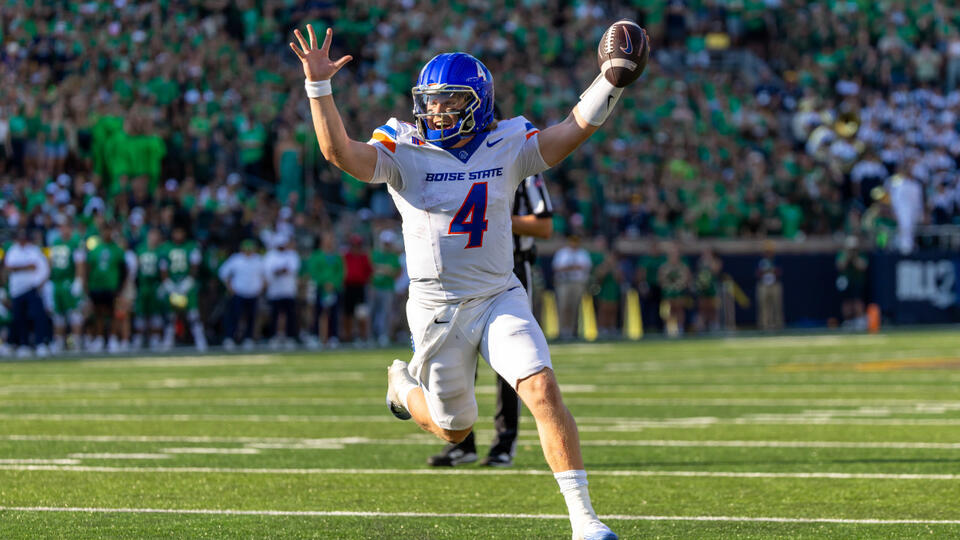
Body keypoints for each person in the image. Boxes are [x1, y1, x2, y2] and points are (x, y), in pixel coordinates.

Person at [290, 22, 643, 539]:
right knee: (454, 431)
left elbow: (571, 130)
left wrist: (609, 81)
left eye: (448, 100)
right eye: (429, 101)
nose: (434, 111)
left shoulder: (507, 141)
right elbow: (339, 153)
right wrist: (318, 86)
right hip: (436, 310)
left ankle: (584, 520)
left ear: (477, 103)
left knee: (542, 388)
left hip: (499, 295)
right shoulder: (404, 145)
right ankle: (402, 388)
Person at [428, 172, 553, 467]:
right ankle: (462, 442)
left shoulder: (522, 168)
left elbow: (544, 226)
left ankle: (504, 443)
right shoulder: (459, 164)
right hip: (465, 271)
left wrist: (496, 217)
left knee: (513, 358)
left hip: (510, 270)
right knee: (457, 354)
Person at [3, 228, 51, 357]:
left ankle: (40, 343)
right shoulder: (13, 250)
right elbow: (10, 267)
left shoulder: (34, 250)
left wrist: (39, 283)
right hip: (17, 290)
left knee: (38, 317)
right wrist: (26, 266)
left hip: (32, 288)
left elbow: (41, 267)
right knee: (19, 318)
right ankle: (23, 344)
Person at [158, 224, 207, 351]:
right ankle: (168, 342)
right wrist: (169, 284)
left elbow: (195, 266)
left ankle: (200, 341)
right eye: (176, 232)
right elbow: (163, 268)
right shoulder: (165, 247)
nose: (178, 235)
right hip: (173, 285)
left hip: (187, 285)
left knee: (193, 315)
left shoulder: (192, 246)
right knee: (171, 315)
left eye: (180, 232)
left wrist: (188, 282)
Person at [85, 224, 128, 353]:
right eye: (105, 231)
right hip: (96, 286)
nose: (107, 233)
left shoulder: (118, 250)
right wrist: (87, 285)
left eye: (109, 231)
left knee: (113, 313)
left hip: (111, 286)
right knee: (98, 313)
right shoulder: (95, 250)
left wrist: (121, 287)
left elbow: (123, 270)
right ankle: (99, 338)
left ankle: (113, 338)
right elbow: (88, 268)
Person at [47, 220, 86, 352]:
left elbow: (80, 263)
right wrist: (49, 279)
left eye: (66, 227)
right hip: (57, 282)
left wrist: (78, 280)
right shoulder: (55, 242)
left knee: (74, 313)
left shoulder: (76, 242)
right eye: (62, 227)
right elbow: (51, 262)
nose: (64, 230)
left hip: (69, 282)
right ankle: (59, 342)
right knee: (58, 314)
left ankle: (76, 341)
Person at [219, 239, 265, 350]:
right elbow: (223, 272)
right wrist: (230, 288)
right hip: (238, 293)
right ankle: (230, 337)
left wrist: (261, 288)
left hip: (253, 293)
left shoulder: (258, 259)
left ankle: (248, 338)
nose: (248, 251)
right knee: (234, 316)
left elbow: (265, 275)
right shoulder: (236, 259)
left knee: (251, 317)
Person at [304, 232, 344, 349]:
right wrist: (324, 282)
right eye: (327, 239)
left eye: (331, 240)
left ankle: (333, 337)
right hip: (320, 288)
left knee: (334, 313)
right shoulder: (316, 256)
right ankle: (315, 336)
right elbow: (313, 271)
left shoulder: (337, 256)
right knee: (317, 312)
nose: (329, 242)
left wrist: (333, 283)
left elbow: (341, 272)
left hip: (334, 289)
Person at [552, 234, 592, 339]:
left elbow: (586, 267)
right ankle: (562, 330)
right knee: (563, 306)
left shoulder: (583, 253)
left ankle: (573, 331)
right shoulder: (562, 253)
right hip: (563, 282)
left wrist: (569, 268)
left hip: (577, 283)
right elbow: (557, 267)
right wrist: (572, 267)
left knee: (575, 307)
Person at [264, 235, 300, 349]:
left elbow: (291, 269)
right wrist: (280, 270)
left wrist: (279, 270)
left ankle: (290, 337)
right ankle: (273, 337)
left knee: (290, 315)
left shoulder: (292, 255)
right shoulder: (270, 255)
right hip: (274, 291)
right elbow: (269, 271)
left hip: (289, 291)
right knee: (274, 315)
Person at [370, 230, 402, 347]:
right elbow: (372, 269)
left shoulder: (393, 257)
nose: (387, 245)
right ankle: (371, 336)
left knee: (386, 313)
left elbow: (395, 272)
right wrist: (386, 270)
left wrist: (382, 269)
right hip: (374, 287)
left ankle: (384, 335)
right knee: (372, 312)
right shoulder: (375, 254)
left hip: (387, 288)